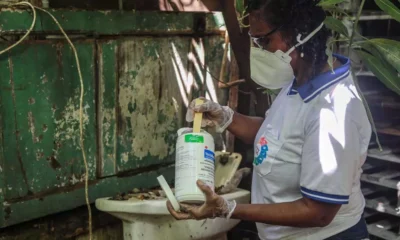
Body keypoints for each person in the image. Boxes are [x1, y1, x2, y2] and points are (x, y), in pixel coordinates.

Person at [167, 0, 372, 239]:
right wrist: (227, 117)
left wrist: (229, 209)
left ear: (299, 36)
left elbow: (319, 213)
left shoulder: (333, 114)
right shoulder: (299, 81)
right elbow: (277, 137)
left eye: (263, 41)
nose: (259, 50)